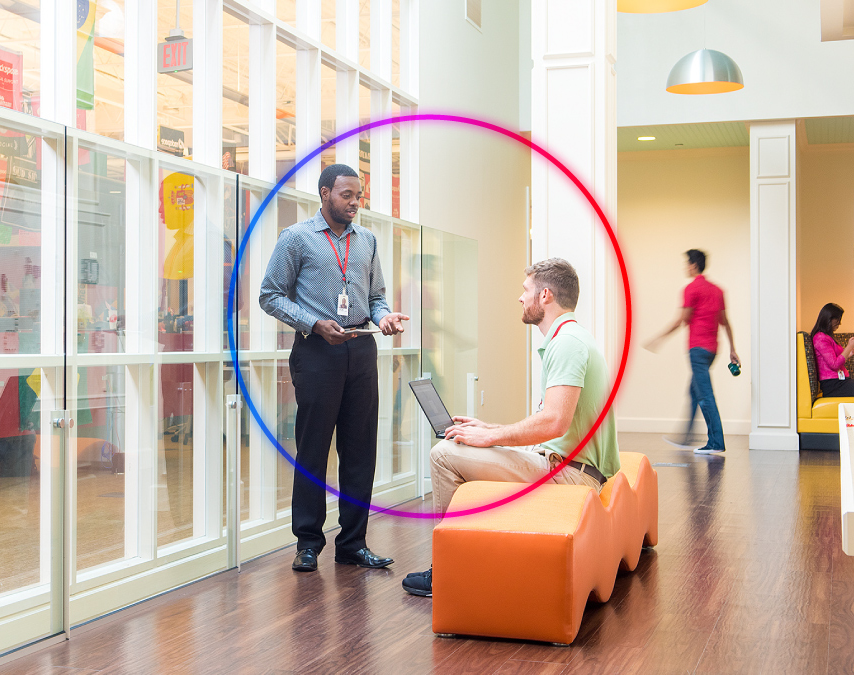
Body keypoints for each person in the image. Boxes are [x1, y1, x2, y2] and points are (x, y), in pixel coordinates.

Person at [402, 257, 620, 597]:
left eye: (526, 290)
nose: (520, 298)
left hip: (571, 474)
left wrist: (491, 437)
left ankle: (448, 571)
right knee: (463, 444)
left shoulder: (567, 344)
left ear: (545, 295)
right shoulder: (573, 338)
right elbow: (558, 422)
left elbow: (554, 421)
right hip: (565, 463)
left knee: (444, 453)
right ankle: (470, 558)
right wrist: (491, 428)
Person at [260, 164, 409, 573]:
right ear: (325, 193)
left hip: (361, 350)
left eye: (358, 196)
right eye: (346, 195)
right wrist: (313, 323)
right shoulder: (296, 239)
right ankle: (307, 542)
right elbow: (269, 295)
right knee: (313, 449)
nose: (354, 203)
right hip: (316, 351)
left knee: (360, 450)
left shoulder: (368, 242)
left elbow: (376, 295)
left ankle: (353, 543)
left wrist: (383, 318)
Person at [645, 249, 739, 455]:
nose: (685, 267)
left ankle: (715, 442)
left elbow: (682, 320)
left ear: (694, 265)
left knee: (705, 396)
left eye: (687, 264)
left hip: (697, 349)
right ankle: (686, 437)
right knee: (695, 391)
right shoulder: (718, 291)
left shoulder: (691, 289)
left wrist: (658, 339)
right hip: (713, 350)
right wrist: (733, 349)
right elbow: (725, 322)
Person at [810, 303, 854, 397]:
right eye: (838, 320)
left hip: (839, 382)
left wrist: (848, 354)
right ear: (829, 318)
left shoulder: (827, 337)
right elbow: (834, 365)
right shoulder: (820, 338)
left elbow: (836, 360)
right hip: (833, 385)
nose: (839, 323)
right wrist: (849, 347)